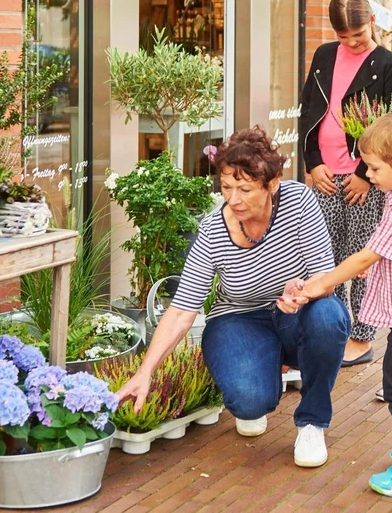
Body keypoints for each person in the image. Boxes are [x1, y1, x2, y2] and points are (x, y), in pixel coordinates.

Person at [113, 127, 350, 469]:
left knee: (329, 317)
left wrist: (301, 292)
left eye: (245, 189)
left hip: (296, 313)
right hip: (238, 318)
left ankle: (312, 421)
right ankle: (261, 374)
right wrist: (145, 371)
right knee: (250, 402)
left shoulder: (299, 202)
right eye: (226, 187)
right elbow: (182, 310)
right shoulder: (212, 230)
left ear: (272, 184)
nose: (234, 199)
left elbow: (324, 279)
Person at [281, 113, 392, 497]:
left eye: (375, 167)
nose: (369, 174)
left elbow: (367, 256)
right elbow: (390, 257)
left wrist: (321, 282)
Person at [298, 0, 392, 366]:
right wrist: (312, 162)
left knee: (360, 257)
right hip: (324, 176)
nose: (351, 42)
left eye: (357, 34)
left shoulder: (388, 64)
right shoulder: (324, 55)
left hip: (364, 180)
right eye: (343, 36)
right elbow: (308, 108)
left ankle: (361, 336)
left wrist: (364, 173)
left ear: (371, 22)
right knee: (321, 256)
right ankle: (332, 329)